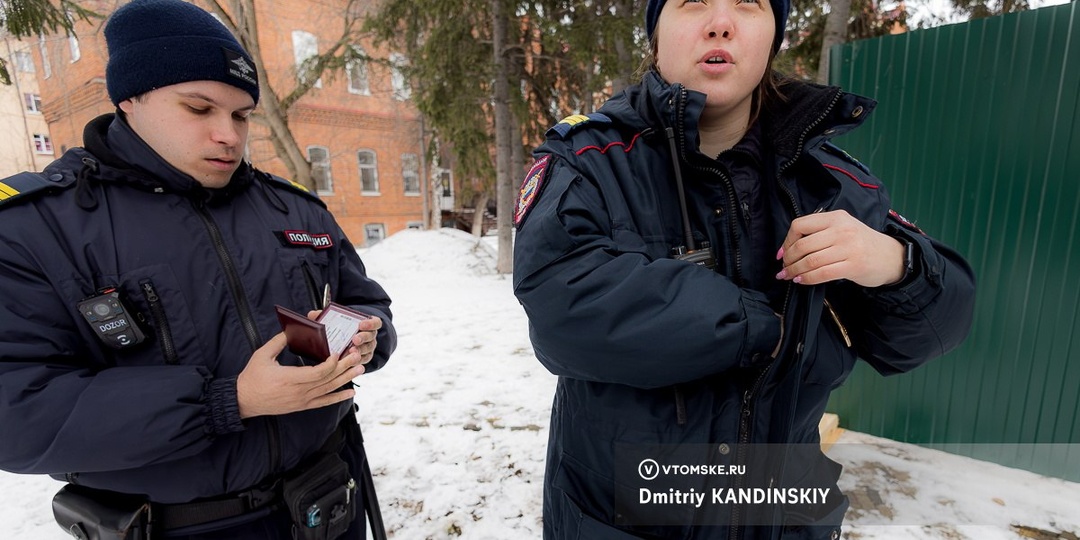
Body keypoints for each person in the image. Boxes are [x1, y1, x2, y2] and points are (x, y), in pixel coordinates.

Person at [512, 0, 976, 537]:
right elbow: (563, 309)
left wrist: (896, 265)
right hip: (621, 515)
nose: (720, 22)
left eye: (748, 5)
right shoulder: (590, 160)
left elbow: (932, 332)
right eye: (692, 4)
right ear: (655, 35)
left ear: (774, 35)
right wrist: (765, 328)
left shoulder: (833, 183)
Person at [0, 0, 396, 538]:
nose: (228, 135)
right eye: (198, 108)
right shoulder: (37, 226)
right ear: (130, 100)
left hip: (324, 505)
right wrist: (227, 402)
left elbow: (365, 301)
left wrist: (365, 336)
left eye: (240, 115)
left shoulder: (293, 207)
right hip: (180, 525)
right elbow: (16, 411)